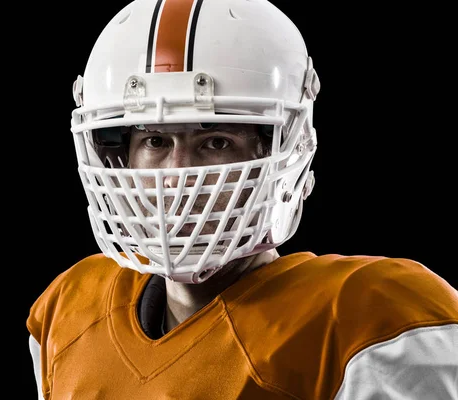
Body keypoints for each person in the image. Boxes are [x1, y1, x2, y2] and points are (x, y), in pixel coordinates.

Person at [27, 0, 458, 398]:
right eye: (156, 140)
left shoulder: (365, 323)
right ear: (118, 155)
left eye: (215, 142)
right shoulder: (69, 312)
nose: (178, 178)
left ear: (279, 151)